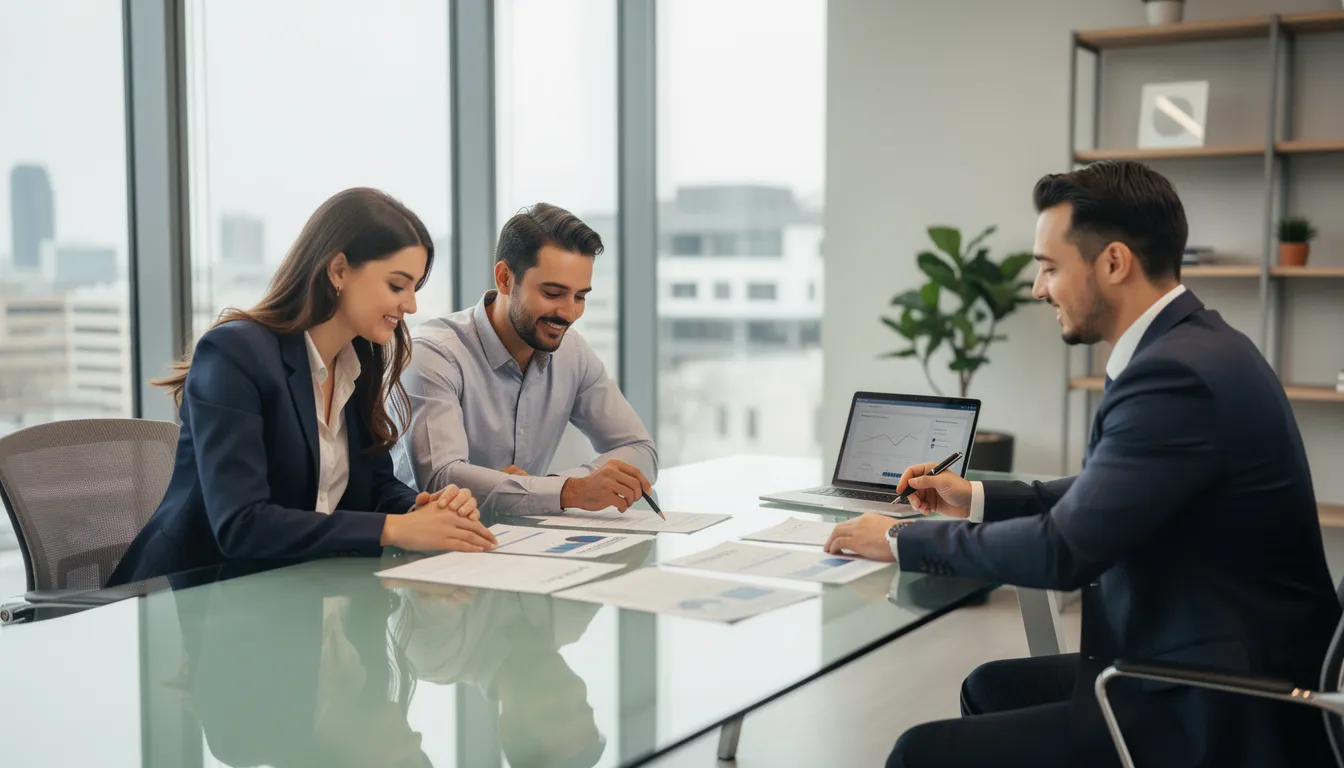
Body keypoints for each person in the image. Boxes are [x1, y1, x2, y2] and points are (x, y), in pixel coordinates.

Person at [823, 161, 1341, 767]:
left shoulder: (1175, 375)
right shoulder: (1198, 343)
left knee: (919, 753)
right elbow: (1110, 491)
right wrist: (977, 498)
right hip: (1207, 655)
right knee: (989, 686)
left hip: (1216, 705)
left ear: (1114, 263)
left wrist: (899, 538)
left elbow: (1064, 552)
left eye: (1049, 267)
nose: (1039, 289)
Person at [109, 188, 497, 586]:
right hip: (193, 603)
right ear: (339, 270)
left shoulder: (357, 362)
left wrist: (421, 510)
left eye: (415, 288)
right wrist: (394, 530)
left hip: (296, 593)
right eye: (398, 286)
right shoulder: (235, 354)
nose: (411, 305)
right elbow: (241, 524)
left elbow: (374, 486)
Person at [393, 202, 658, 517]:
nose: (569, 313)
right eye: (552, 293)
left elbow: (641, 451)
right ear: (505, 278)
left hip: (522, 542)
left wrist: (553, 485)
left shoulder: (572, 352)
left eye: (580, 296)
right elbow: (442, 478)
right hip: (425, 548)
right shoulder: (434, 353)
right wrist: (569, 491)